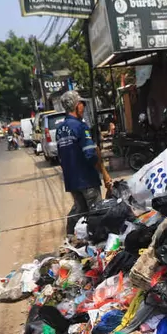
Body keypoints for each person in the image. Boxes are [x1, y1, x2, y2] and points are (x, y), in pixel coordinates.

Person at [55, 91, 112, 234]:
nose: (84, 107)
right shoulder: (81, 127)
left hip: (72, 181)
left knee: (81, 213)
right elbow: (90, 155)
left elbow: (61, 158)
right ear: (76, 106)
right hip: (87, 180)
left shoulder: (60, 130)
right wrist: (104, 174)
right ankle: (98, 242)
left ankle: (75, 238)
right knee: (96, 213)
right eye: (82, 104)